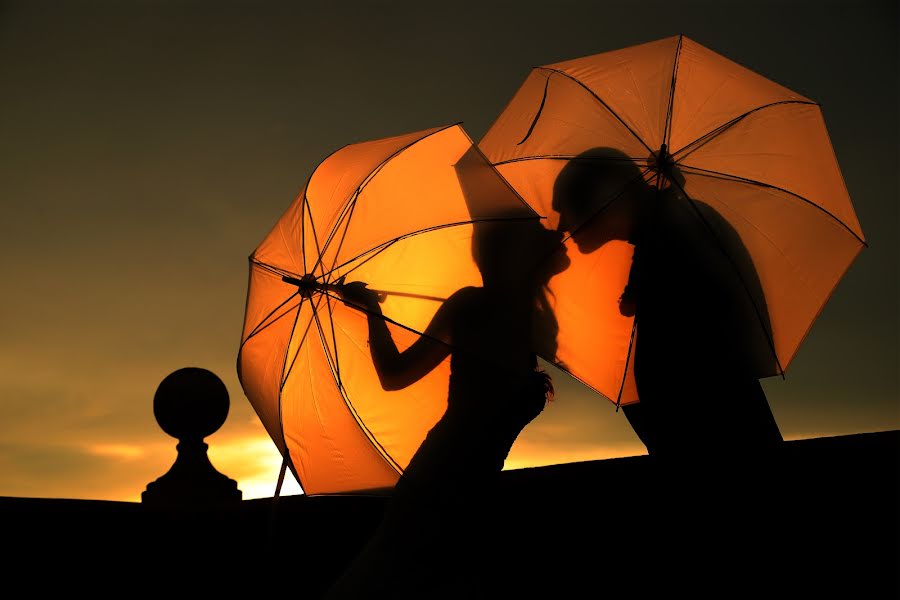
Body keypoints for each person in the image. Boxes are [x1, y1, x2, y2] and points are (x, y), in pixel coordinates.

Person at [324, 217, 569, 599]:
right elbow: (395, 374)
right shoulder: (477, 306)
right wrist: (372, 310)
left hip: (467, 484)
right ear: (512, 251)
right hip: (443, 478)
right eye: (535, 228)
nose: (551, 231)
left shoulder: (532, 318)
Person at [552, 147, 783, 463]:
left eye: (567, 208)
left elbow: (687, 370)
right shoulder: (667, 233)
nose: (562, 224)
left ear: (602, 198)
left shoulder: (673, 239)